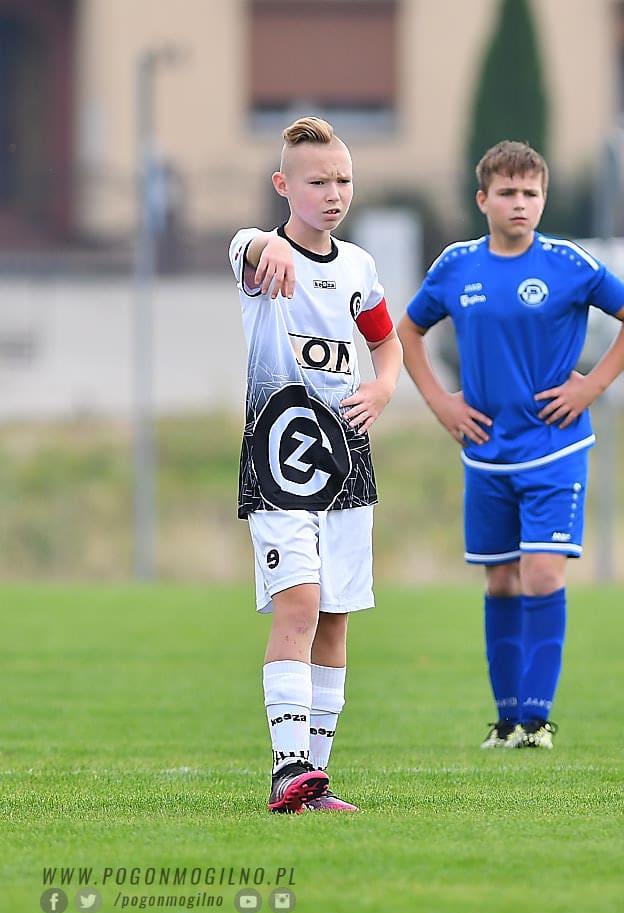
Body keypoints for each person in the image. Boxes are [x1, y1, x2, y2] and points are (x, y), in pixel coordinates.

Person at [398, 140, 624, 749]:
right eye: (508, 192)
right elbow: (407, 330)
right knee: (501, 584)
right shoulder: (456, 265)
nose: (520, 203)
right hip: (486, 452)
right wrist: (440, 401)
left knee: (541, 574)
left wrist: (591, 387)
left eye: (531, 193)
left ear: (544, 199)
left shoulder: (568, 263)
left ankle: (537, 723)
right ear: (482, 199)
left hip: (555, 450)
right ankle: (507, 719)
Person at [229, 116, 403, 812]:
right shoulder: (263, 258)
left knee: (334, 618)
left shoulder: (358, 266)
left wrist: (384, 387)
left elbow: (386, 343)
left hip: (347, 460)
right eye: (317, 182)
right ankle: (287, 767)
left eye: (343, 181)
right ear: (283, 185)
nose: (333, 194)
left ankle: (314, 781)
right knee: (298, 604)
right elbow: (243, 245)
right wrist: (264, 241)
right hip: (280, 459)